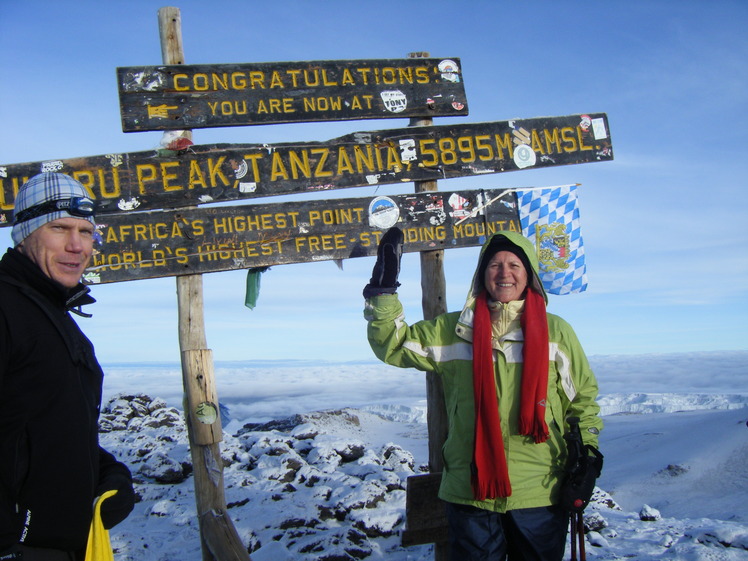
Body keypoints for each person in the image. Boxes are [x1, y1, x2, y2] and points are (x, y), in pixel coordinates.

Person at [363, 227, 603, 560]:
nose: (504, 273)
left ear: (529, 274)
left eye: (514, 265)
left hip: (541, 489)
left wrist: (589, 455)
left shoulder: (556, 331)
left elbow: (582, 400)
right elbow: (393, 344)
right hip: (469, 490)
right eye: (494, 265)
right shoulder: (452, 330)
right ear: (482, 275)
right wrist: (384, 288)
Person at [0, 173, 135, 561]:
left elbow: (42, 427)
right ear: (25, 234)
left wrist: (102, 471)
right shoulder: (7, 309)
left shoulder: (51, 312)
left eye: (86, 231)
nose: (77, 245)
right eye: (59, 228)